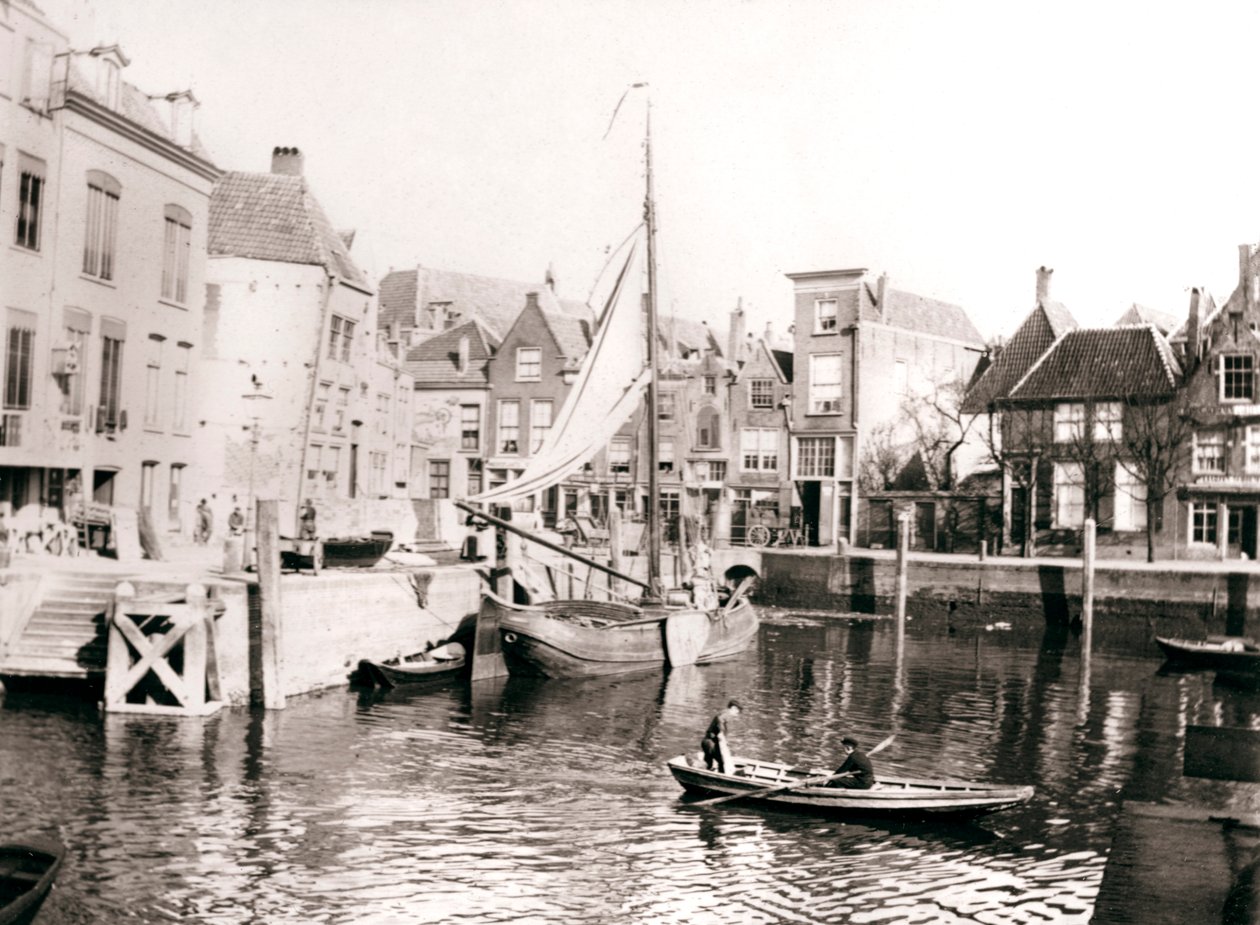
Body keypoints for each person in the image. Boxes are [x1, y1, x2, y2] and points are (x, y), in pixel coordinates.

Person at [701, 699, 742, 775]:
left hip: (707, 742)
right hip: (710, 743)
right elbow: (719, 719)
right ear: (733, 708)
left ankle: (705, 775)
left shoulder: (724, 713)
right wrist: (721, 733)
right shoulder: (726, 714)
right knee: (722, 761)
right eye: (737, 712)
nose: (737, 715)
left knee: (708, 763)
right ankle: (722, 777)